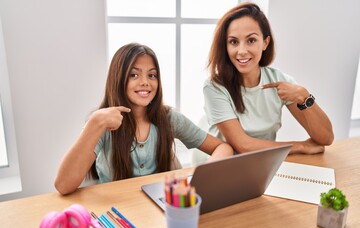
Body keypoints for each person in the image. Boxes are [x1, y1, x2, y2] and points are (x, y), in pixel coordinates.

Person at [55, 43, 233, 195]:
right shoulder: (102, 123)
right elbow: (63, 185)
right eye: (134, 75)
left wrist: (202, 177)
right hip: (115, 212)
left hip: (157, 212)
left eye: (152, 75)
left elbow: (222, 147)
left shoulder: (169, 118)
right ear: (118, 79)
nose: (145, 82)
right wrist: (95, 122)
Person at [203, 2, 334, 155]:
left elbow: (326, 138)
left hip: (264, 164)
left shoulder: (279, 81)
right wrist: (300, 146)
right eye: (233, 42)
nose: (242, 51)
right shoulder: (214, 87)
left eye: (251, 40)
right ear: (225, 46)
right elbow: (243, 145)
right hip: (223, 167)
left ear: (265, 43)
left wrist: (303, 96)